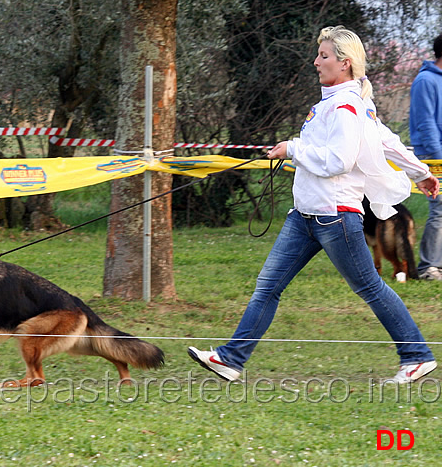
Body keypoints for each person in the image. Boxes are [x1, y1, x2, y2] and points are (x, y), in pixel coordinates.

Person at [188, 26, 439, 384]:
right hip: (305, 215)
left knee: (370, 287)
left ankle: (416, 355)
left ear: (345, 63)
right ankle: (230, 359)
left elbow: (339, 160)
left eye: (324, 56)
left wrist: (292, 148)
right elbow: (389, 142)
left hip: (334, 216)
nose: (316, 61)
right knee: (268, 286)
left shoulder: (347, 107)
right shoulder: (343, 104)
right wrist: (422, 173)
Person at [409, 33, 442, 280]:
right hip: (434, 156)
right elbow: (426, 123)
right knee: (440, 209)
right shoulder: (426, 81)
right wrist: (438, 157)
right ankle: (428, 267)